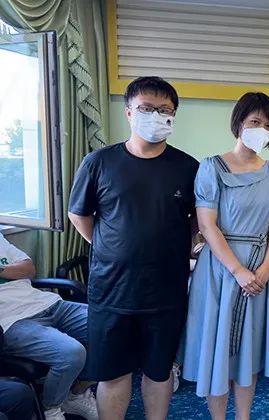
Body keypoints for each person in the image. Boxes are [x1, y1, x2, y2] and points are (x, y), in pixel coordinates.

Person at [68, 76, 199, 420]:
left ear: (174, 116)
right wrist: (110, 245)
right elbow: (79, 214)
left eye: (165, 110)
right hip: (112, 290)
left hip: (166, 291)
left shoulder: (188, 168)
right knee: (113, 374)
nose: (156, 116)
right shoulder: (98, 162)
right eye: (146, 108)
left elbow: (198, 221)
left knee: (159, 372)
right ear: (129, 112)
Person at [182, 92, 269, 420]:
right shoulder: (212, 167)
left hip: (261, 269)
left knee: (247, 353)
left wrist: (267, 265)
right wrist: (238, 271)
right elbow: (207, 225)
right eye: (255, 122)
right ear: (239, 123)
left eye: (268, 125)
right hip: (221, 270)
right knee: (219, 354)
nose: (262, 130)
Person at [0, 233, 97, 420]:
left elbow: (28, 269)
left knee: (114, 330)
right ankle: (51, 409)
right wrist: (10, 271)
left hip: (47, 303)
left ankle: (75, 395)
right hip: (11, 321)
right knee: (71, 353)